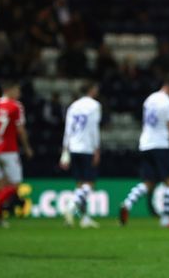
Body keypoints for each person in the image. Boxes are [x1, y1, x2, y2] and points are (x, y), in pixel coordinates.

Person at [119, 74, 169, 228]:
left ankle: (127, 203)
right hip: (160, 145)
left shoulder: (150, 99)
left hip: (145, 144)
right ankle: (166, 220)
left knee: (148, 183)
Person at [0, 81, 33, 226]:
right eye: (17, 90)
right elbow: (20, 129)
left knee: (0, 185)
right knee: (15, 184)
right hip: (9, 150)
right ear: (10, 90)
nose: (19, 94)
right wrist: (27, 147)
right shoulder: (15, 106)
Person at [60, 82, 102, 229]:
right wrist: (97, 148)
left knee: (80, 185)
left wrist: (65, 151)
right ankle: (71, 206)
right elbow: (93, 128)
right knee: (89, 184)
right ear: (91, 89)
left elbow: (68, 129)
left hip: (73, 147)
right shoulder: (94, 105)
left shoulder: (73, 106)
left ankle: (84, 217)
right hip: (87, 147)